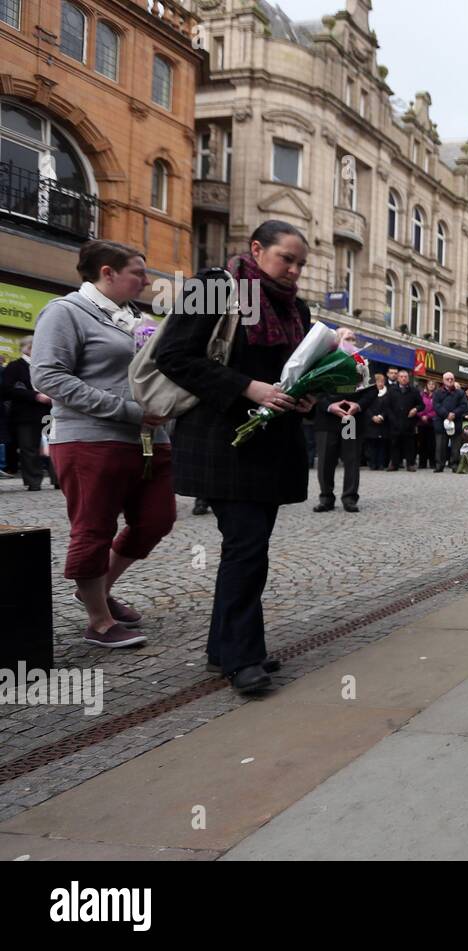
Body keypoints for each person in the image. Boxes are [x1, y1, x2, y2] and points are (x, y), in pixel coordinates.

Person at [154, 219, 320, 695]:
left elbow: (292, 373)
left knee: (249, 549)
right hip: (222, 440)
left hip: (271, 444)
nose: (293, 270)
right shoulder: (217, 287)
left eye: (300, 263)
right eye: (286, 258)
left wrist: (307, 397)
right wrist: (247, 387)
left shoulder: (295, 307)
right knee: (246, 549)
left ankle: (224, 645)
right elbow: (175, 356)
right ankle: (241, 658)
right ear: (256, 248)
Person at [30, 240, 176, 648]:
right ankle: (98, 620)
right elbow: (49, 378)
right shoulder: (66, 312)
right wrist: (129, 411)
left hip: (150, 439)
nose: (147, 282)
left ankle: (96, 588)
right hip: (90, 439)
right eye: (138, 273)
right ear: (107, 273)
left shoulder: (136, 318)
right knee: (92, 527)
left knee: (156, 519)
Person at [2, 336, 55, 490]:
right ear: (28, 348)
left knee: (53, 445)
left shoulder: (45, 366)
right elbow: (7, 390)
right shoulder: (14, 366)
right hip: (26, 415)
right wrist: (35, 396)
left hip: (48, 413)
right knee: (28, 448)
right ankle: (34, 482)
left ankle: (58, 479)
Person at [312, 368, 365, 513]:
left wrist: (359, 405)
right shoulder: (324, 363)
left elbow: (370, 391)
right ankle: (326, 498)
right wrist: (329, 406)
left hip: (350, 419)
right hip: (327, 420)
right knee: (325, 462)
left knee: (351, 459)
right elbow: (314, 389)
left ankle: (349, 498)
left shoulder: (360, 363)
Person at [383, 369, 421, 472]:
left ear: (408, 378)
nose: (404, 378)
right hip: (395, 422)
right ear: (398, 378)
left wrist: (415, 409)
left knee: (409, 444)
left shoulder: (414, 390)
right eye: (401, 377)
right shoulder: (392, 390)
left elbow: (421, 405)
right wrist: (391, 418)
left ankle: (410, 464)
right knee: (394, 444)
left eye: (405, 377)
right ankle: (394, 464)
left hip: (408, 422)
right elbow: (387, 406)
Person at [432, 371, 467, 472]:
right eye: (447, 379)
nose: (450, 381)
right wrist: (446, 414)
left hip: (456, 422)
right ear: (443, 380)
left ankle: (454, 464)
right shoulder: (438, 392)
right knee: (440, 446)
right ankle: (439, 465)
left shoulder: (460, 392)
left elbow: (464, 405)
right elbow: (436, 405)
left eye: (452, 379)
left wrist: (454, 414)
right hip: (441, 422)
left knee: (455, 446)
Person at [362, 371, 388, 470]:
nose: (380, 383)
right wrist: (372, 417)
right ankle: (372, 463)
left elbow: (388, 407)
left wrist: (381, 416)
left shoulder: (387, 393)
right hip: (370, 422)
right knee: (371, 444)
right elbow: (366, 407)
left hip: (383, 422)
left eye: (382, 381)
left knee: (382, 445)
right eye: (378, 381)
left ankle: (381, 463)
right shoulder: (369, 393)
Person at [416, 378, 439, 468]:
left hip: (432, 423)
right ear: (426, 385)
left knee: (432, 444)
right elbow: (417, 406)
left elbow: (437, 409)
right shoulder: (421, 395)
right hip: (421, 423)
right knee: (422, 444)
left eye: (433, 384)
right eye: (429, 384)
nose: (431, 386)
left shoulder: (437, 396)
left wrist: (428, 416)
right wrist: (422, 415)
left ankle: (432, 463)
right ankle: (422, 463)